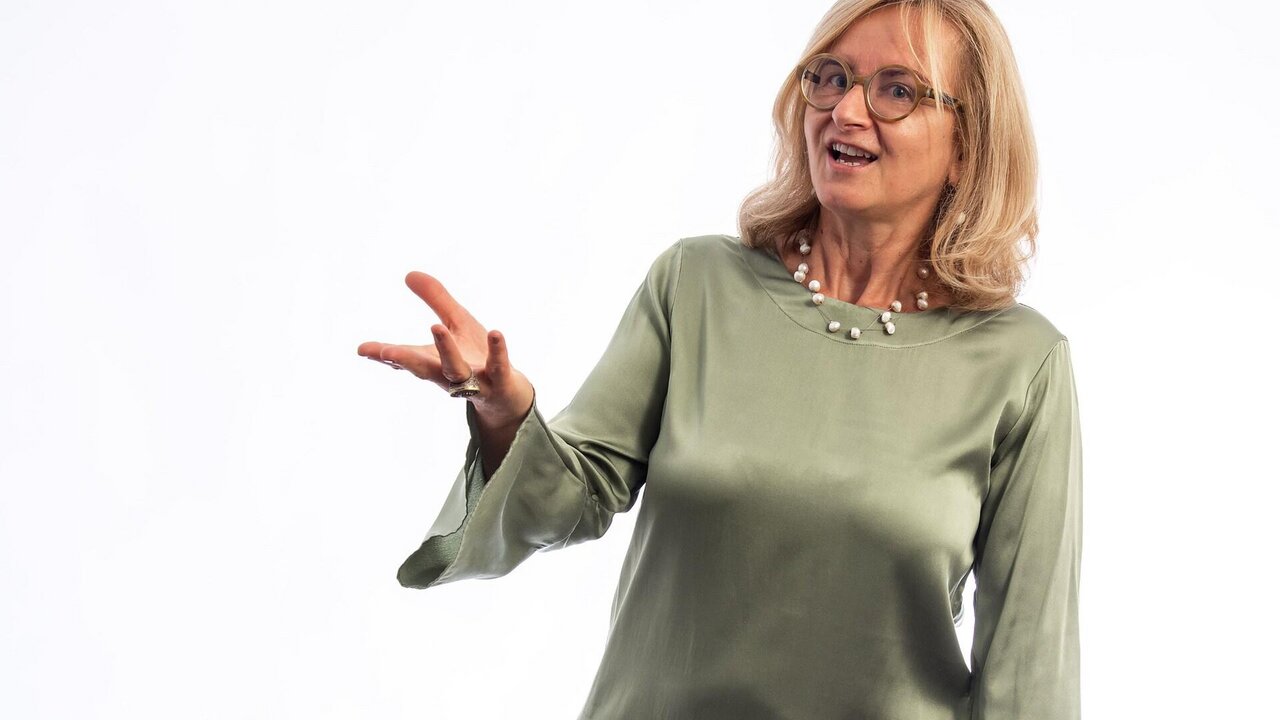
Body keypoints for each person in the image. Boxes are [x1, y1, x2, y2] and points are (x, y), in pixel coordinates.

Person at [356, 0, 1082, 717]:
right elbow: (565, 501)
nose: (846, 111)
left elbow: (1029, 675)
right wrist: (503, 413)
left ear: (967, 146)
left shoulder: (1020, 365)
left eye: (897, 90)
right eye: (831, 77)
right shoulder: (695, 285)